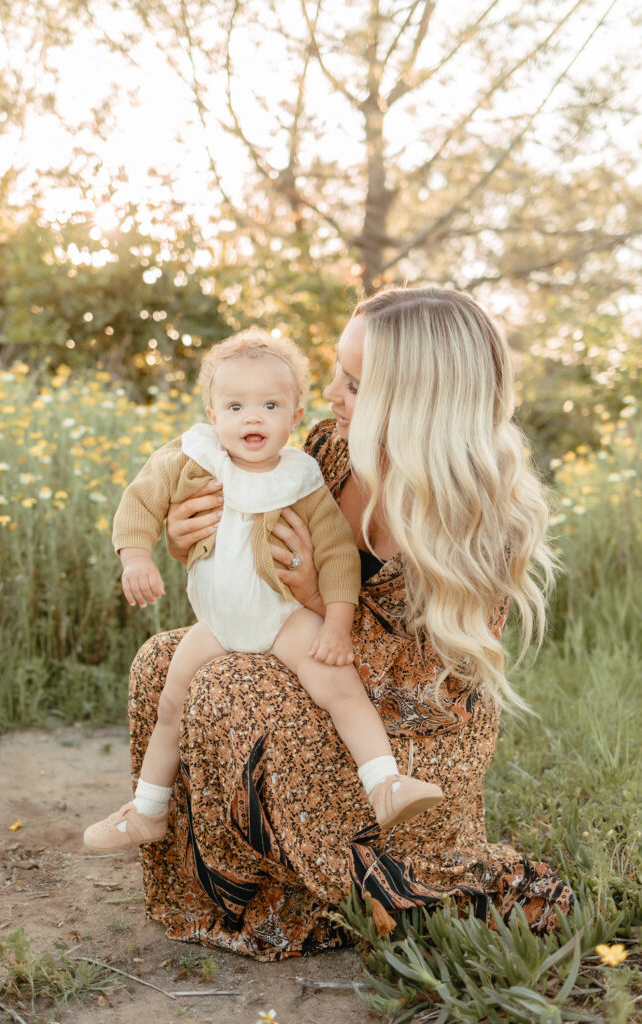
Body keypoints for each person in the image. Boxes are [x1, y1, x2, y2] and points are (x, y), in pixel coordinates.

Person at [124, 287, 572, 960]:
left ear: (417, 402)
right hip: (316, 674)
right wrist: (192, 537)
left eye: (354, 384)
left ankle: (391, 879)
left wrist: (312, 594)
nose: (329, 393)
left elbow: (426, 690)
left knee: (232, 686)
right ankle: (233, 891)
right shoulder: (327, 451)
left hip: (407, 735)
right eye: (337, 370)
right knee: (167, 659)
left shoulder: (478, 520)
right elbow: (245, 554)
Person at [84, 329, 442, 852]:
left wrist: (338, 622)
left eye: (269, 404)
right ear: (212, 413)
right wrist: (138, 555)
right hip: (217, 625)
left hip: (285, 618)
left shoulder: (303, 478)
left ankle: (384, 783)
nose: (252, 418)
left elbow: (339, 555)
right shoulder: (193, 458)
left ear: (294, 416)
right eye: (235, 406)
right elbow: (140, 501)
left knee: (338, 685)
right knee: (172, 702)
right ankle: (147, 810)